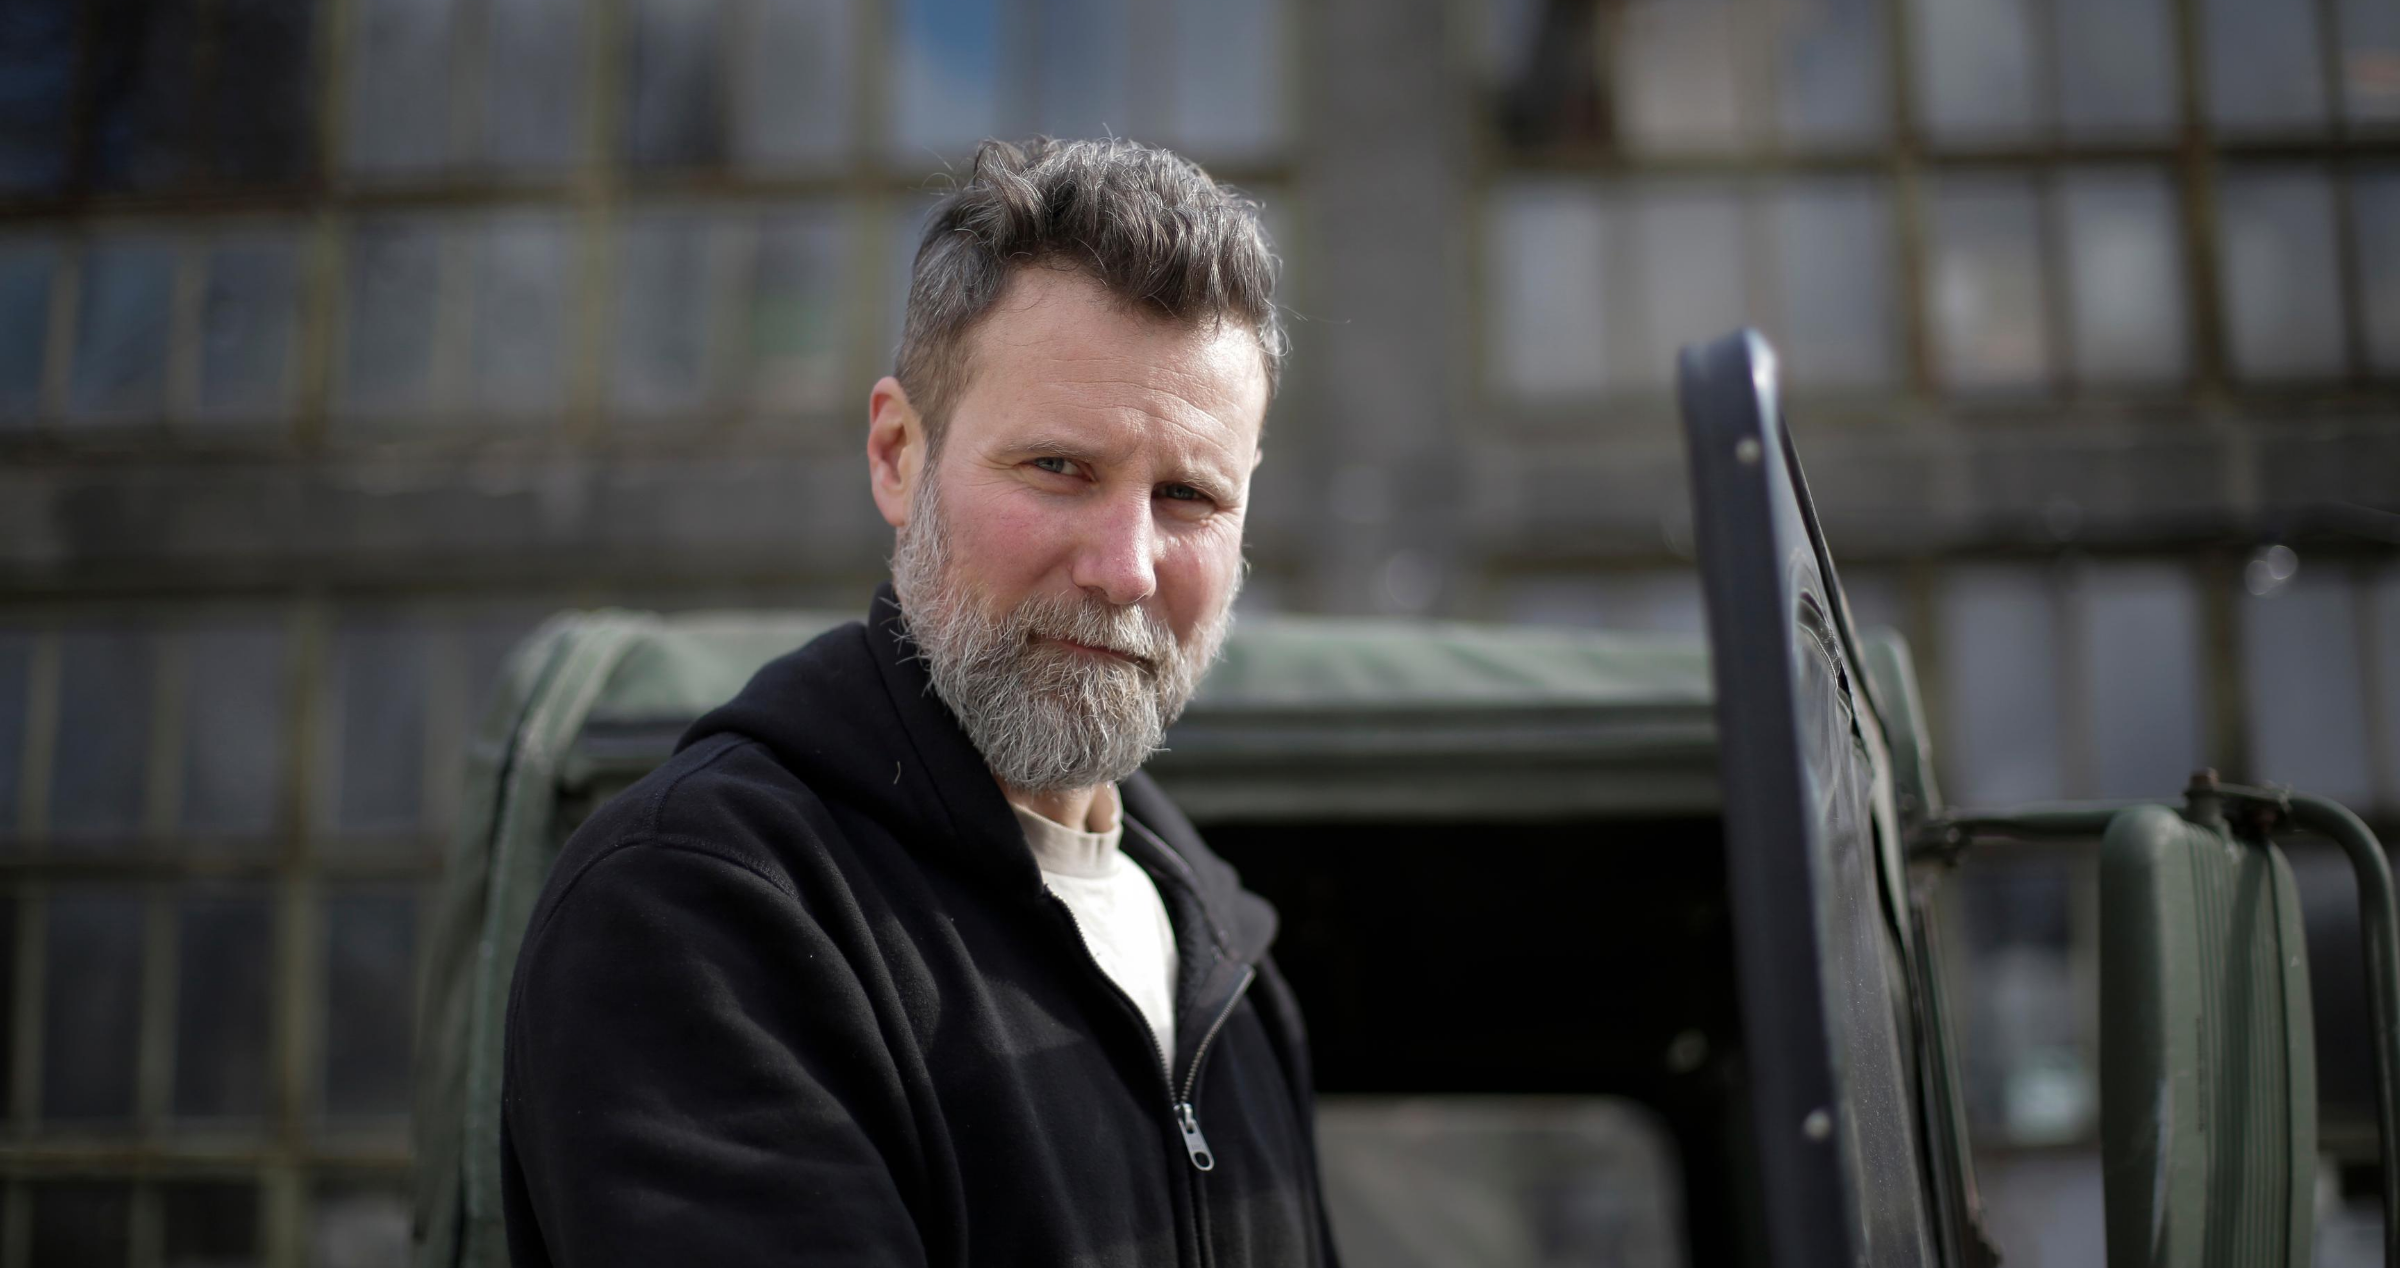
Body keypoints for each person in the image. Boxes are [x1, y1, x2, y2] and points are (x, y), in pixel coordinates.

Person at [499, 137, 1338, 1267]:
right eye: (1059, 469)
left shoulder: (1228, 963)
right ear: (899, 454)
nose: (1127, 566)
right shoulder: (701, 905)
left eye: (1189, 494)